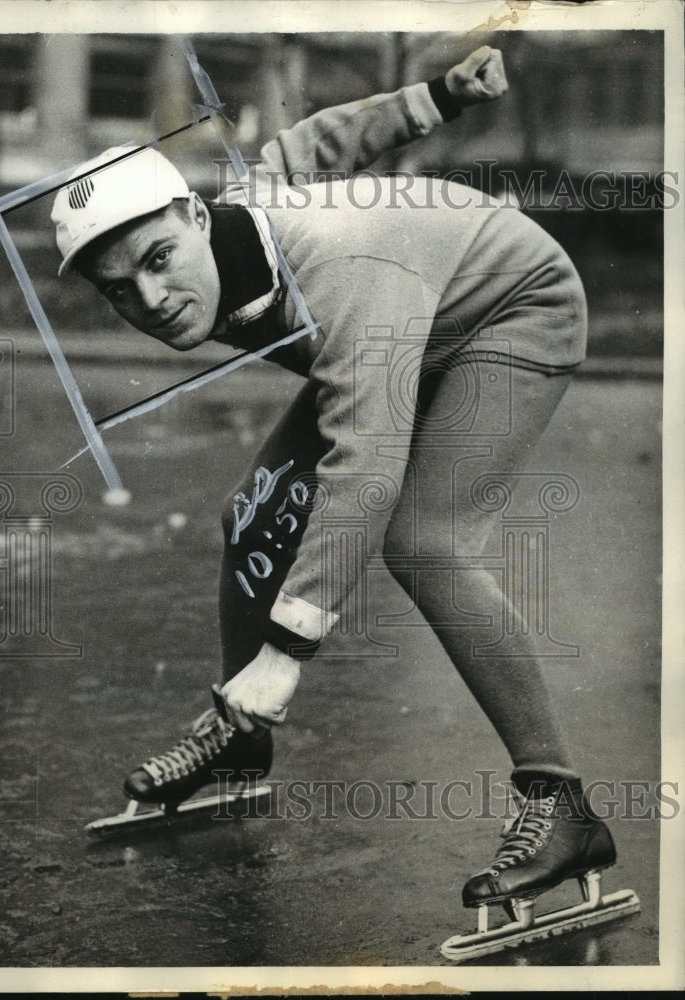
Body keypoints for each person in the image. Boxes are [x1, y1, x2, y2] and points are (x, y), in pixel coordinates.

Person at [52, 46, 618, 925]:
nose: (153, 298)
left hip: (511, 312)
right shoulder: (248, 206)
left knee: (423, 543)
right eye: (120, 290)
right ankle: (239, 744)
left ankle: (562, 807)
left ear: (196, 216)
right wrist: (437, 95)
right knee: (254, 517)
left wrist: (285, 657)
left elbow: (365, 469)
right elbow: (317, 142)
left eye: (160, 258)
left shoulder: (337, 270)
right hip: (406, 321)